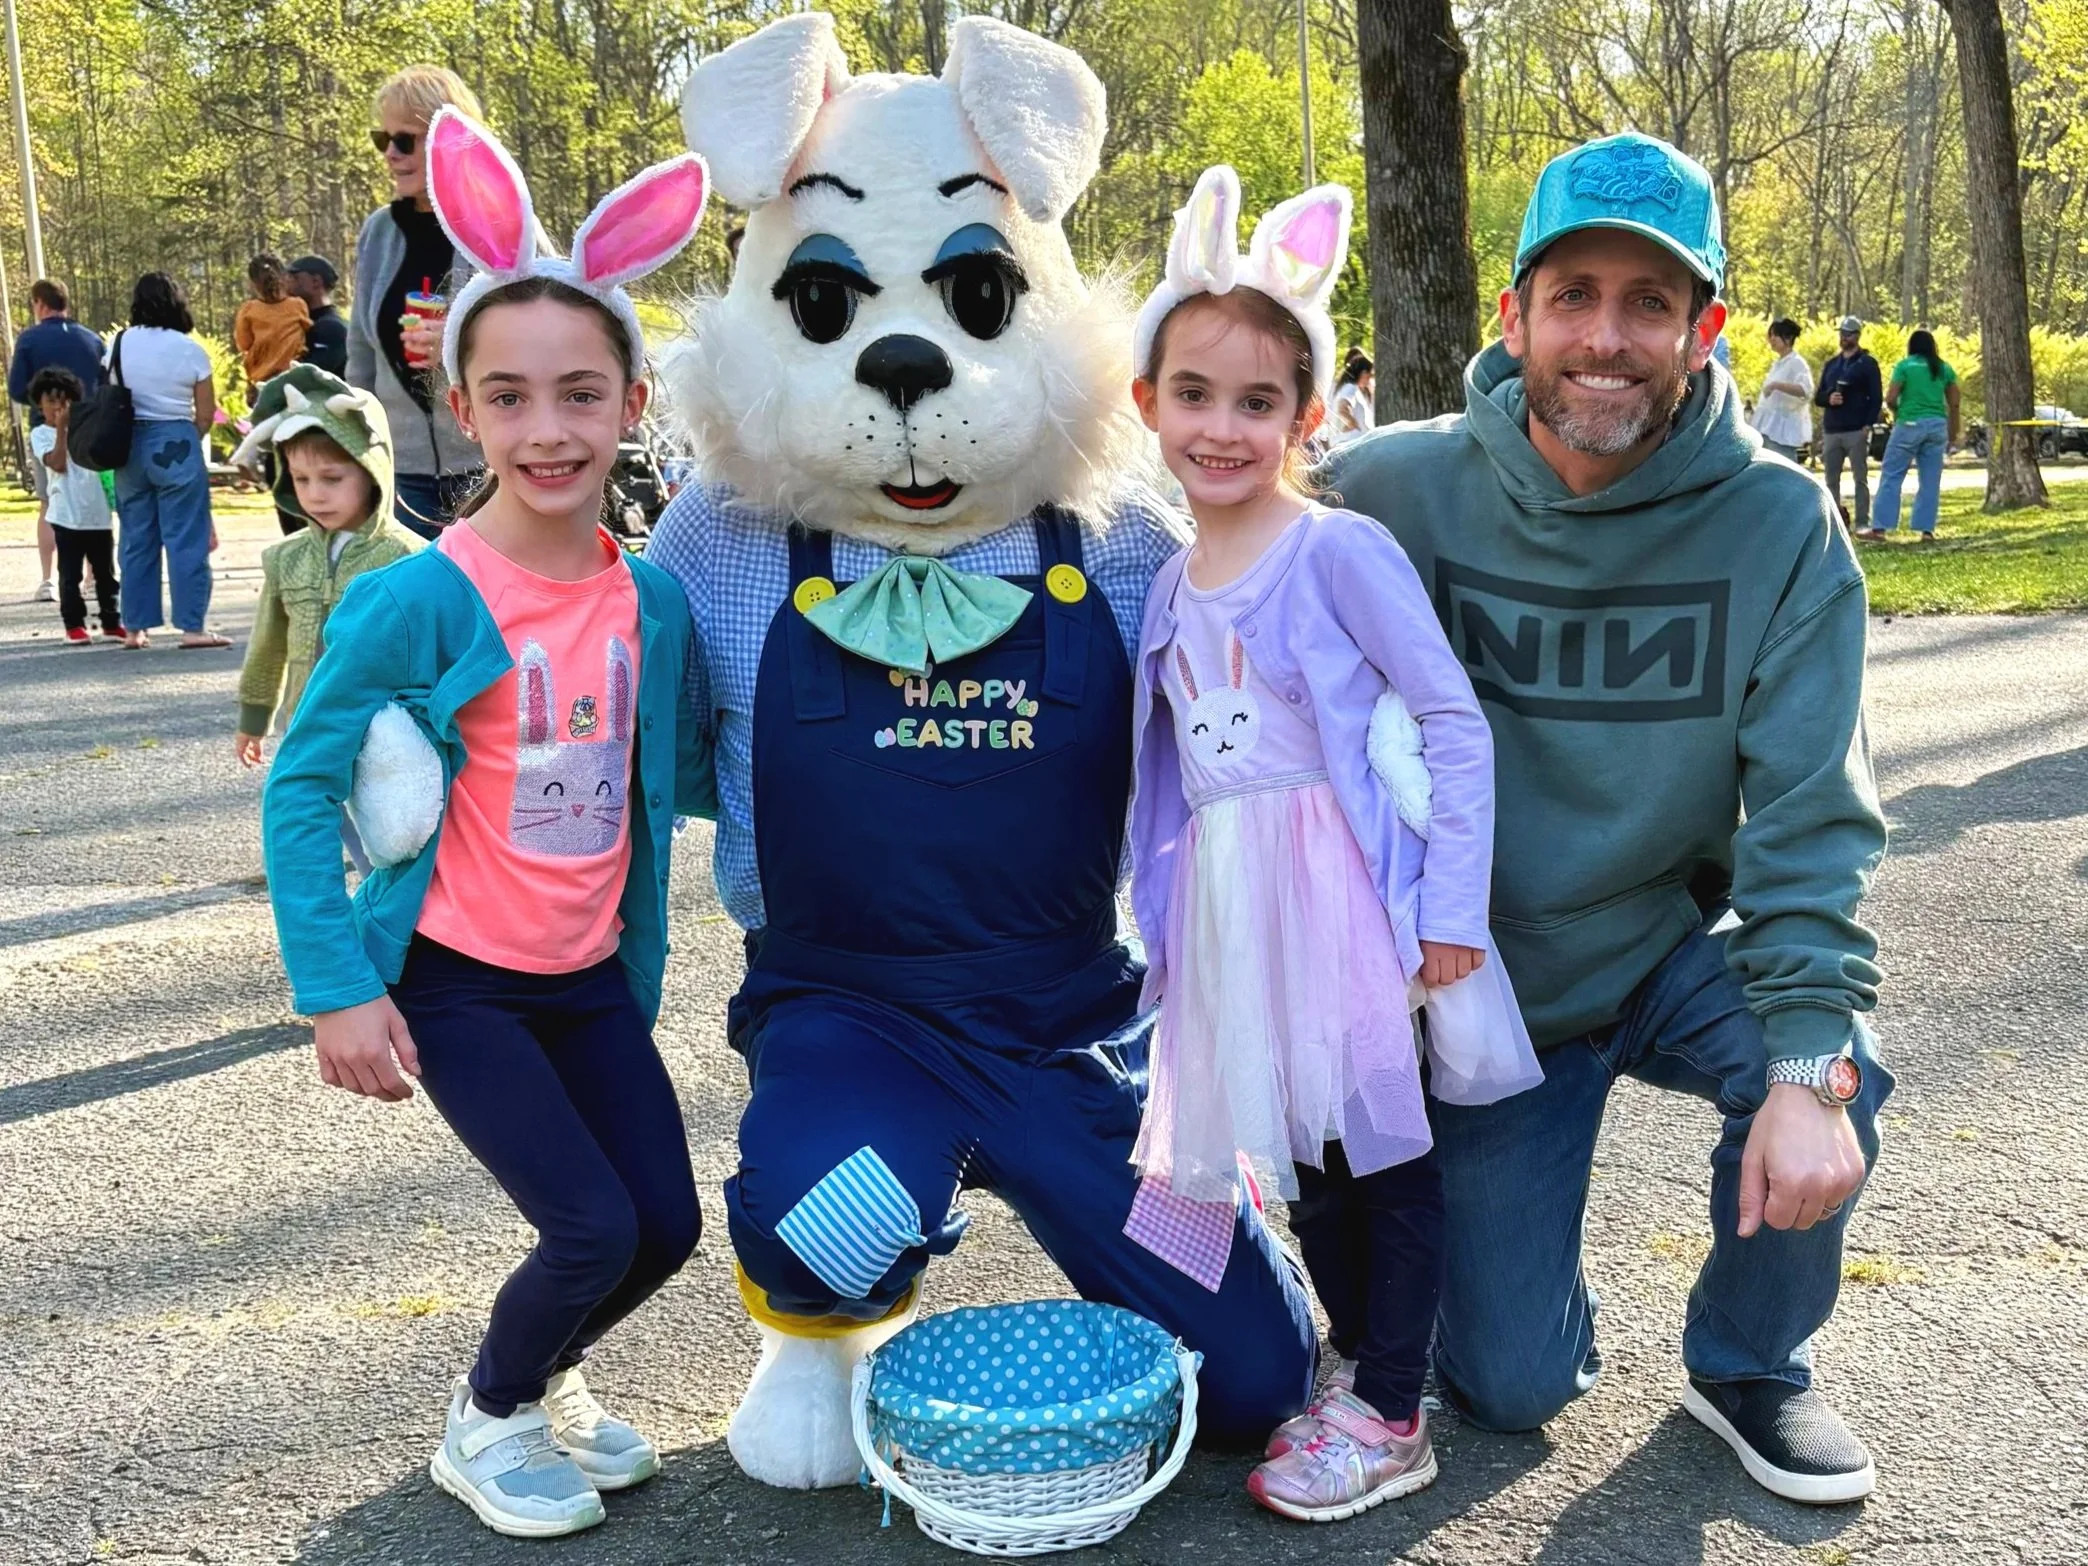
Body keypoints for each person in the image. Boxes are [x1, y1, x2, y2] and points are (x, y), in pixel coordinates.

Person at [652, 13, 1317, 1492]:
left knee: (1260, 1378)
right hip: (849, 1010)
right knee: (822, 1213)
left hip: (1070, 1017)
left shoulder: (1124, 542)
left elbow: (1257, 714)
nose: (908, 364)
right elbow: (625, 710)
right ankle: (822, 1330)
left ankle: (1162, 1217)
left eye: (975, 292)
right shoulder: (724, 539)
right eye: (825, 299)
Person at [1328, 131, 1890, 1507]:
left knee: (1835, 1066)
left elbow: (1812, 814)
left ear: (1704, 329)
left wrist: (1806, 1068)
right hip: (1477, 994)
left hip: (1658, 946)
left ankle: (1749, 1361)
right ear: (1514, 315)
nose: (1605, 337)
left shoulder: (1780, 527)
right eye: (1573, 294)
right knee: (1508, 1388)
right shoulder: (1381, 494)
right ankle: (1513, 1294)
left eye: (1650, 302)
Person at [261, 108, 710, 1540]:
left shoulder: (655, 599)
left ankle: (548, 1372)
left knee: (668, 1225)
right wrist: (338, 986)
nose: (548, 428)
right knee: (589, 1224)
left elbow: (691, 769)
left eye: (581, 393)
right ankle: (489, 1413)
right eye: (509, 396)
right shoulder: (417, 597)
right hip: (458, 982)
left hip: (588, 981)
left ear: (633, 402)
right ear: (462, 407)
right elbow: (299, 784)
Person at [1125, 166, 1542, 1523]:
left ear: (1306, 417)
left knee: (1383, 1151)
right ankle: (1360, 1361)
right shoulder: (1166, 584)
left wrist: (1451, 908)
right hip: (1239, 912)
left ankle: (1395, 1408)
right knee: (1305, 1157)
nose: (1223, 427)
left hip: (1349, 905)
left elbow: (1452, 722)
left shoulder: (1337, 550)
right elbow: (1175, 782)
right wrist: (1165, 928)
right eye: (1195, 394)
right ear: (1147, 403)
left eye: (1258, 402)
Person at [231, 364, 420, 875]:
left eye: (332, 478)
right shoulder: (286, 558)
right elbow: (268, 643)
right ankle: (339, 899)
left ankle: (387, 893)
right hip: (304, 722)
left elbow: (430, 648)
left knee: (385, 833)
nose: (315, 494)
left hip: (378, 728)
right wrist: (254, 718)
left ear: (372, 471)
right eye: (301, 479)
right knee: (315, 821)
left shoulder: (408, 558)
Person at [347, 65, 486, 539]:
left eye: (405, 140)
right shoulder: (378, 232)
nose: (390, 153)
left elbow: (553, 318)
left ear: (450, 140)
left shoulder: (499, 219)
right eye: (382, 139)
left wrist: (460, 337)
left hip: (490, 465)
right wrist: (359, 451)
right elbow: (360, 356)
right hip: (400, 475)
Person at [111, 273, 226, 650]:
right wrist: (189, 438)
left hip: (128, 444)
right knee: (186, 537)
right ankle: (192, 628)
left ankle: (134, 628)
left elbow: (108, 393)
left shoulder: (118, 343)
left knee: (135, 539)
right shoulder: (190, 350)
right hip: (177, 441)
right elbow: (206, 414)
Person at [8, 278, 105, 602]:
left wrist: (45, 404)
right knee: (93, 499)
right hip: (89, 428)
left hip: (46, 429)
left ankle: (49, 579)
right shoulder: (92, 339)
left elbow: (17, 389)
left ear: (39, 303)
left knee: (50, 501)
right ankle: (94, 575)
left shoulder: (30, 340)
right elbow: (106, 383)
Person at [28, 367, 122, 643]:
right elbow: (57, 463)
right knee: (70, 575)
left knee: (105, 573)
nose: (58, 407)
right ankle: (74, 625)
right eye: (51, 401)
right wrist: (61, 431)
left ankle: (111, 621)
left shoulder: (88, 430)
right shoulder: (40, 434)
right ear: (40, 405)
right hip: (65, 515)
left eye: (64, 400)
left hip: (98, 514)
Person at [1866, 329, 1959, 544]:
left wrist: (1898, 412)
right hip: (1936, 425)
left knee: (1892, 474)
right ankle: (1926, 530)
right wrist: (1953, 432)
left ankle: (1880, 528)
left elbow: (1890, 398)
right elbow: (1954, 402)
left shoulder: (1905, 366)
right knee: (1930, 480)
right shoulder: (1943, 368)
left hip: (1909, 423)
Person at [1815, 315, 1882, 530]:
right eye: (1842, 334)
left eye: (1849, 334)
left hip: (1856, 429)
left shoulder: (1867, 364)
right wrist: (1829, 398)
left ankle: (1862, 522)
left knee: (1860, 479)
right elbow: (1818, 396)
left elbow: (1876, 397)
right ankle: (1834, 523)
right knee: (1831, 480)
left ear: (1857, 336)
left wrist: (1868, 425)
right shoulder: (1831, 365)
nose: (1844, 338)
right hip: (1832, 429)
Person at [233, 255, 312, 389]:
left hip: (262, 382)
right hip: (294, 379)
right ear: (284, 277)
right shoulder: (298, 305)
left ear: (253, 284)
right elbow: (307, 330)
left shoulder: (248, 310)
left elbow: (244, 344)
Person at [1751, 317, 1814, 462]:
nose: (1772, 339)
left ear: (1788, 338)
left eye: (1776, 335)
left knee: (1782, 465)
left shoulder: (1796, 362)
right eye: (1771, 335)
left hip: (1784, 430)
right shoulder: (1778, 363)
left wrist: (1777, 385)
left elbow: (1805, 390)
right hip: (1768, 426)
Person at [287, 255, 349, 377]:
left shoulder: (331, 328)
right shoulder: (302, 322)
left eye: (294, 278)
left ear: (316, 281)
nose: (288, 285)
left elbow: (307, 377)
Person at [1329, 348, 1374, 446]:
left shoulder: (1348, 388)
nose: (1370, 379)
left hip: (1351, 442)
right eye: (1369, 375)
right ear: (1363, 373)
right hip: (1352, 442)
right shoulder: (1351, 387)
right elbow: (1342, 409)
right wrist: (1354, 425)